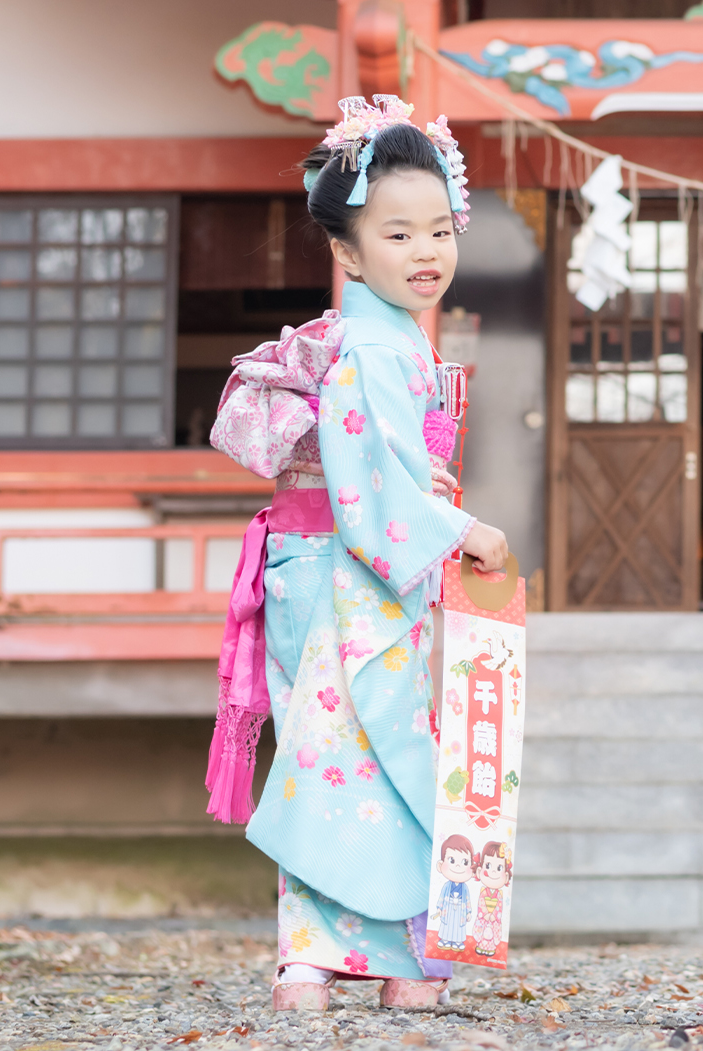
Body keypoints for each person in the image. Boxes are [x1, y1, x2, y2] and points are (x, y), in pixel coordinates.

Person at [205, 95, 509, 1014]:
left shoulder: (387, 338)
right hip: (354, 567)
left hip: (332, 566)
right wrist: (463, 530)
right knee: (360, 749)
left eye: (440, 231)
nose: (427, 253)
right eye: (398, 233)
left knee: (329, 747)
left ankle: (320, 955)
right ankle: (364, 952)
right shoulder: (377, 348)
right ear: (348, 252)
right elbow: (369, 478)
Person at [472, 841, 512, 958]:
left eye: (499, 867)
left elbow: (500, 906)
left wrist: (494, 915)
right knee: (482, 930)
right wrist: (484, 914)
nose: (493, 871)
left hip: (494, 918)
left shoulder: (499, 895)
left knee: (493, 932)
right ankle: (480, 945)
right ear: (480, 870)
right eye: (488, 866)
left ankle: (491, 948)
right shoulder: (483, 893)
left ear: (506, 876)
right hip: (484, 917)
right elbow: (481, 903)